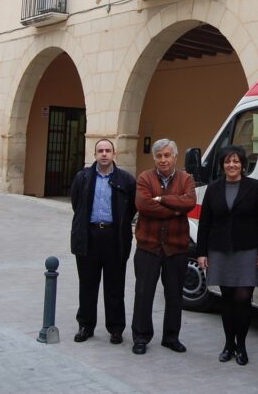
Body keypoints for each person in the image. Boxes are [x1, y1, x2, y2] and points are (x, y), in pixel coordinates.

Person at [195, 145, 258, 366]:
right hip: (219, 250)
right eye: (228, 161)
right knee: (227, 299)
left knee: (243, 298)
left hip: (247, 250)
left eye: (236, 161)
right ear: (222, 165)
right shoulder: (213, 189)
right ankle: (229, 345)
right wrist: (201, 252)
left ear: (243, 165)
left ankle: (242, 346)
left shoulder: (255, 187)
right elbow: (205, 223)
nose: (232, 165)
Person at [130, 138, 196, 355]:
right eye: (159, 156)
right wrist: (176, 208)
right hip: (148, 247)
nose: (163, 160)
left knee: (175, 295)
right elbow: (144, 205)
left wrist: (162, 199)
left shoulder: (186, 178)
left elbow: (189, 203)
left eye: (167, 155)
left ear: (174, 157)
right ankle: (141, 337)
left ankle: (171, 337)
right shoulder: (144, 178)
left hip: (176, 247)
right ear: (154, 158)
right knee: (143, 294)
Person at [69, 138, 137, 344]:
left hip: (114, 237)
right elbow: (76, 204)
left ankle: (115, 328)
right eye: (100, 150)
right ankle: (85, 326)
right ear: (95, 154)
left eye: (108, 150)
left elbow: (131, 208)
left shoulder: (126, 179)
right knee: (87, 284)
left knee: (115, 285)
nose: (104, 154)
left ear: (114, 154)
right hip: (89, 236)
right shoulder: (83, 177)